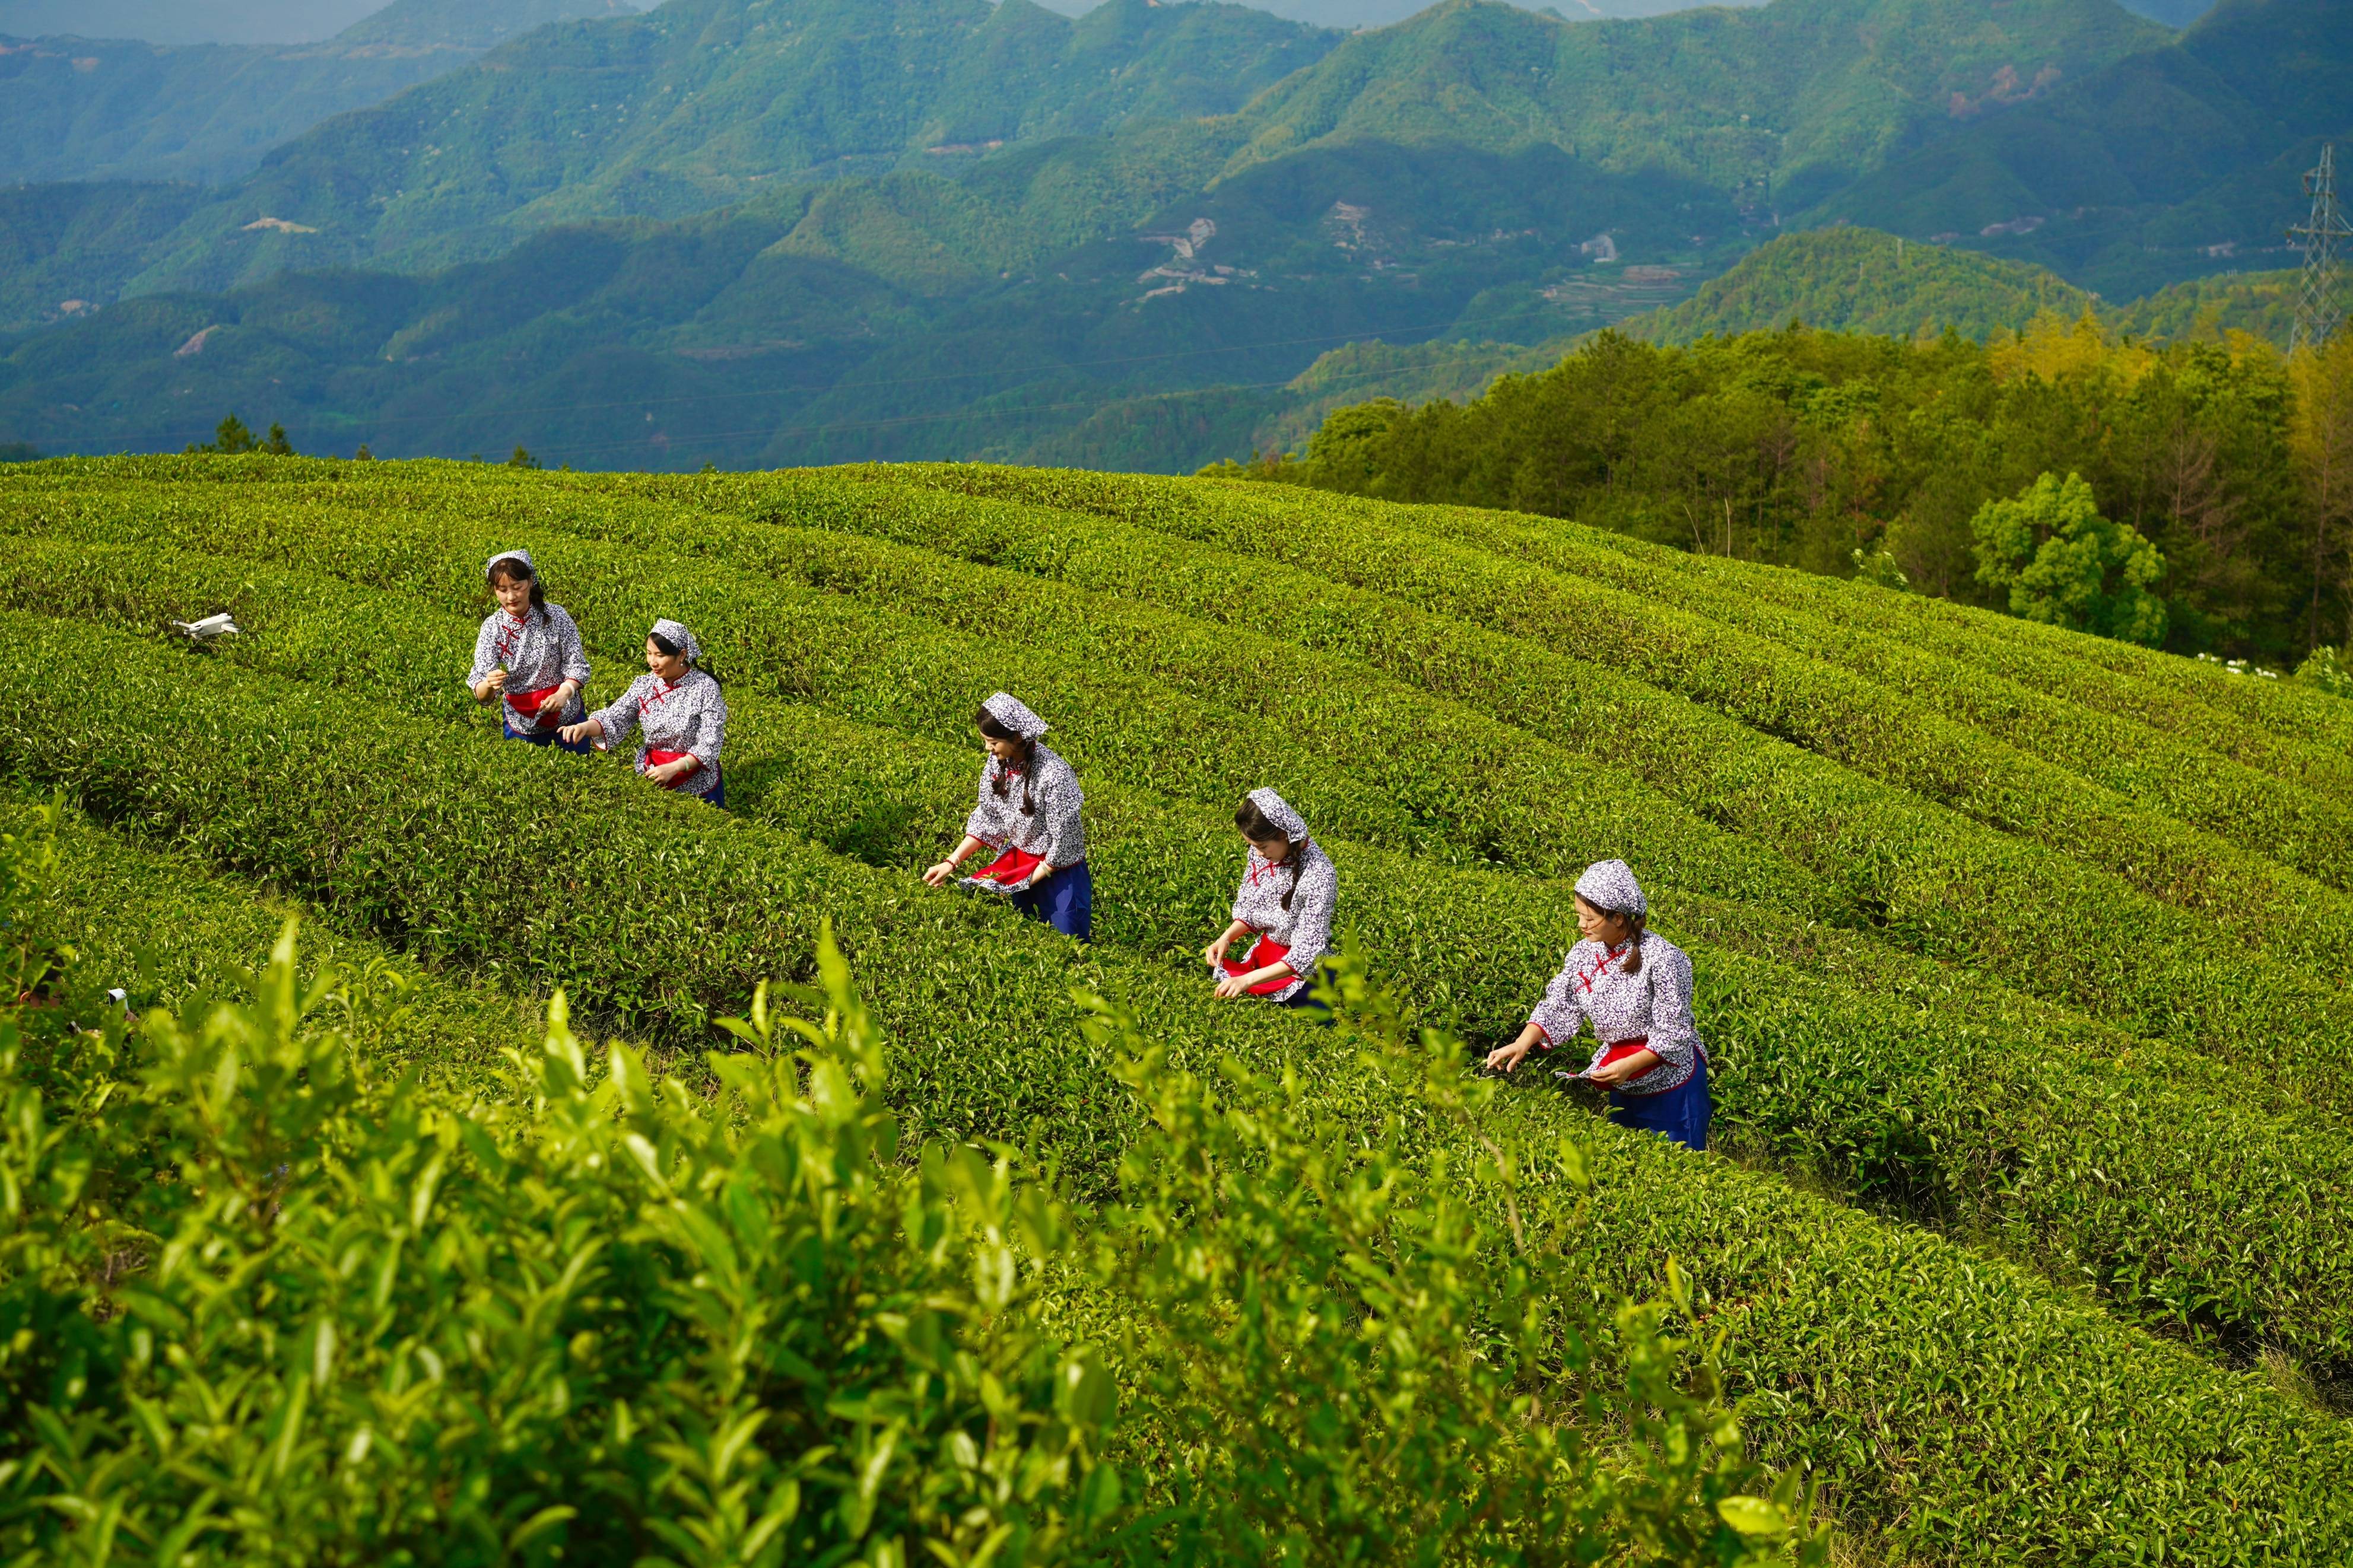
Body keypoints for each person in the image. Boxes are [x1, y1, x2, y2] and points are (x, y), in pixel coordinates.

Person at [1483, 859, 1710, 1152]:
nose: (1581, 925)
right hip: (1624, 1074)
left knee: (1682, 1166)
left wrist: (1629, 1065)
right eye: (1579, 916)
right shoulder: (1583, 953)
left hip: (1671, 1081)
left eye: (1589, 919)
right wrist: (1521, 1043)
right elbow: (1560, 1003)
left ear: (1618, 918)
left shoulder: (1664, 958)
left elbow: (1674, 1032)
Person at [923, 692, 1091, 940]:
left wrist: (1031, 877)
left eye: (993, 742)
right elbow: (988, 818)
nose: (988, 749)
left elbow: (1066, 837)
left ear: (1017, 737)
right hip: (1021, 863)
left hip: (1059, 875)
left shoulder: (1055, 774)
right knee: (1025, 938)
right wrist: (951, 863)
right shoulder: (997, 763)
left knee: (1067, 944)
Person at [558, 619, 728, 806]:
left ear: (682, 655)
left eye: (660, 655)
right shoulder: (644, 684)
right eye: (649, 653)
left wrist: (675, 768)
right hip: (654, 773)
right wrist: (584, 727)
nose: (652, 662)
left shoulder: (705, 688)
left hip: (696, 779)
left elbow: (710, 741)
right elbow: (615, 717)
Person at [1204, 788, 1339, 1017]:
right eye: (1253, 845)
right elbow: (1252, 909)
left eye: (1263, 847)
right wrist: (1225, 938)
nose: (1257, 853)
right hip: (1267, 956)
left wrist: (1246, 980)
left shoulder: (1320, 875)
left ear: (1285, 835)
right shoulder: (1261, 854)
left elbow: (1305, 953)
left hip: (1305, 975)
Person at [466, 549, 591, 752]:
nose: (511, 596)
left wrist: (564, 693)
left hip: (567, 718)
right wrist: (489, 683)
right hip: (520, 724)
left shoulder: (556, 616)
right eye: (502, 590)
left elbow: (576, 664)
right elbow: (482, 695)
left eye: (517, 587)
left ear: (531, 582)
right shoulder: (492, 628)